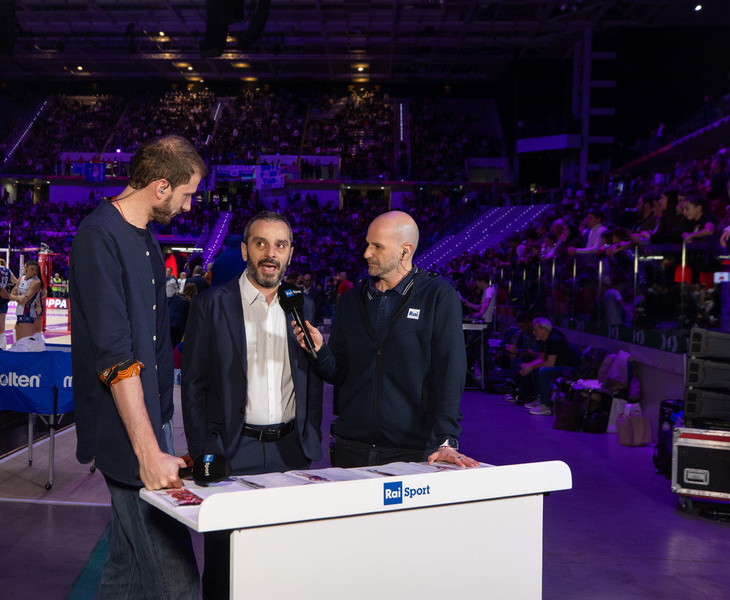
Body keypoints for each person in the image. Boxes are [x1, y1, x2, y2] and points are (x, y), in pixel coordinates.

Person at [69, 134, 206, 599]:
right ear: (161, 186)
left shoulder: (146, 236)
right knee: (178, 581)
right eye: (186, 194)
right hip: (128, 434)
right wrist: (148, 452)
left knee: (125, 574)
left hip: (151, 424)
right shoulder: (98, 237)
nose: (188, 206)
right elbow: (116, 357)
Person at [182, 211, 323, 599]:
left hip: (290, 452)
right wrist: (204, 450)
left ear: (290, 253)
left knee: (284, 567)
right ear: (245, 250)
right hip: (231, 451)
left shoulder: (304, 306)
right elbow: (193, 386)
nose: (270, 253)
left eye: (280, 245)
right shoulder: (211, 304)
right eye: (261, 243)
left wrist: (309, 434)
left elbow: (311, 378)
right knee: (224, 568)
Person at [294, 211, 479, 468]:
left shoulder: (437, 297)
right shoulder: (351, 301)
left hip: (412, 450)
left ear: (405, 250)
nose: (366, 253)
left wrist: (446, 440)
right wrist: (320, 351)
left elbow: (450, 372)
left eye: (377, 246)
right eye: (367, 244)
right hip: (351, 447)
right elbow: (338, 373)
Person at [519, 317, 581, 416]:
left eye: (536, 330)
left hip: (569, 369)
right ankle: (540, 398)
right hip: (559, 366)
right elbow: (543, 358)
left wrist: (532, 367)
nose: (534, 332)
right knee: (535, 368)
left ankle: (545, 405)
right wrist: (529, 365)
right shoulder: (547, 339)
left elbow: (550, 364)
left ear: (544, 329)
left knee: (543, 371)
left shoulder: (554, 339)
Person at [10, 260, 44, 341]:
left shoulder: (36, 282)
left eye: (36, 270)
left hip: (28, 314)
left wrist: (16, 298)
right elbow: (11, 296)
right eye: (32, 269)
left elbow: (24, 300)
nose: (34, 272)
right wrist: (18, 298)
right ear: (26, 268)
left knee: (26, 341)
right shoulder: (21, 278)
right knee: (19, 339)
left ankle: (42, 346)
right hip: (19, 312)